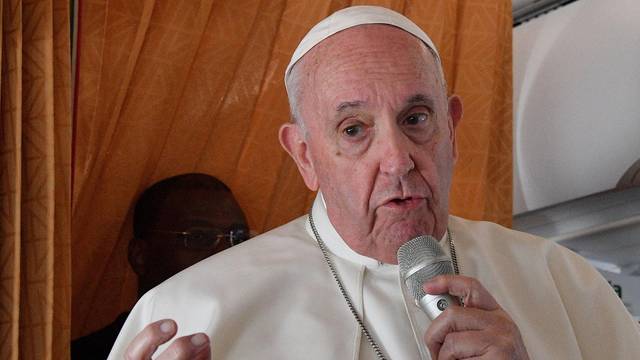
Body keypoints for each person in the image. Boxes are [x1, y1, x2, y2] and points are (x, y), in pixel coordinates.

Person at [108, 6, 640, 360]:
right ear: (305, 156)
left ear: (451, 129)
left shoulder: (562, 281)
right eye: (355, 129)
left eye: (415, 119)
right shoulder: (187, 312)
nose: (397, 160)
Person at [72, 173, 249, 359]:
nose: (226, 253)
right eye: (198, 237)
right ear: (140, 256)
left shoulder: (267, 344)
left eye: (238, 239)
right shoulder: (76, 354)